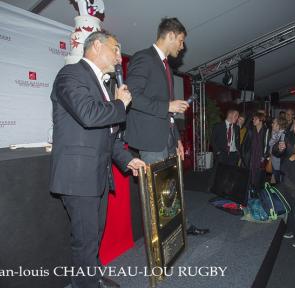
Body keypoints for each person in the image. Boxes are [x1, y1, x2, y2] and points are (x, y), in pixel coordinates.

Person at [49, 31, 146, 288]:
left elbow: (110, 137)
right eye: (115, 49)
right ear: (96, 46)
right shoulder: (70, 75)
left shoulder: (103, 85)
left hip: (97, 176)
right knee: (86, 239)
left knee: (94, 235)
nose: (118, 56)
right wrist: (120, 104)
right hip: (78, 176)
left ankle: (92, 278)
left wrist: (127, 160)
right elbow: (89, 115)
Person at [125, 18, 208, 236]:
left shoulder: (166, 67)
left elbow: (167, 113)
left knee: (171, 188)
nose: (182, 47)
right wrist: (167, 105)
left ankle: (179, 227)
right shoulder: (144, 58)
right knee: (157, 192)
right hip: (151, 140)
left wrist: (177, 139)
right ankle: (160, 242)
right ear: (170, 35)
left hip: (166, 138)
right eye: (180, 41)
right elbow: (131, 96)